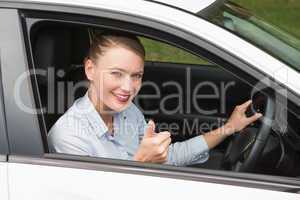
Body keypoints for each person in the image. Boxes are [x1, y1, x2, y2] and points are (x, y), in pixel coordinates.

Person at [48, 31, 262, 166]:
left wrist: (229, 128)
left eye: (136, 76)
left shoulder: (128, 111)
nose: (128, 88)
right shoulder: (69, 138)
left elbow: (171, 156)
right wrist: (141, 163)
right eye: (116, 73)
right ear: (90, 69)